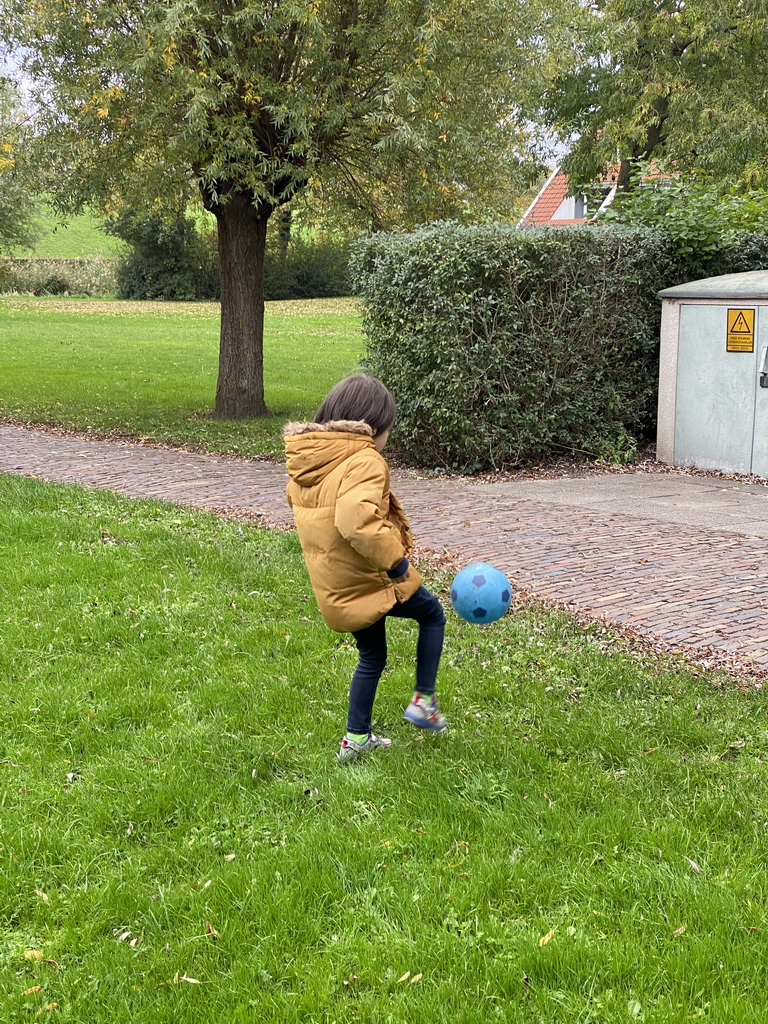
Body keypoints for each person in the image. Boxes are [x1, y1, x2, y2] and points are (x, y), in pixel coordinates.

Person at [283, 373, 447, 761]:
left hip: (336, 585)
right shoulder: (364, 459)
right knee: (433, 614)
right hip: (369, 580)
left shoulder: (311, 459)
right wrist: (396, 564)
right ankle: (424, 701)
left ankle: (355, 739)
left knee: (372, 655)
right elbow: (356, 518)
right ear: (374, 426)